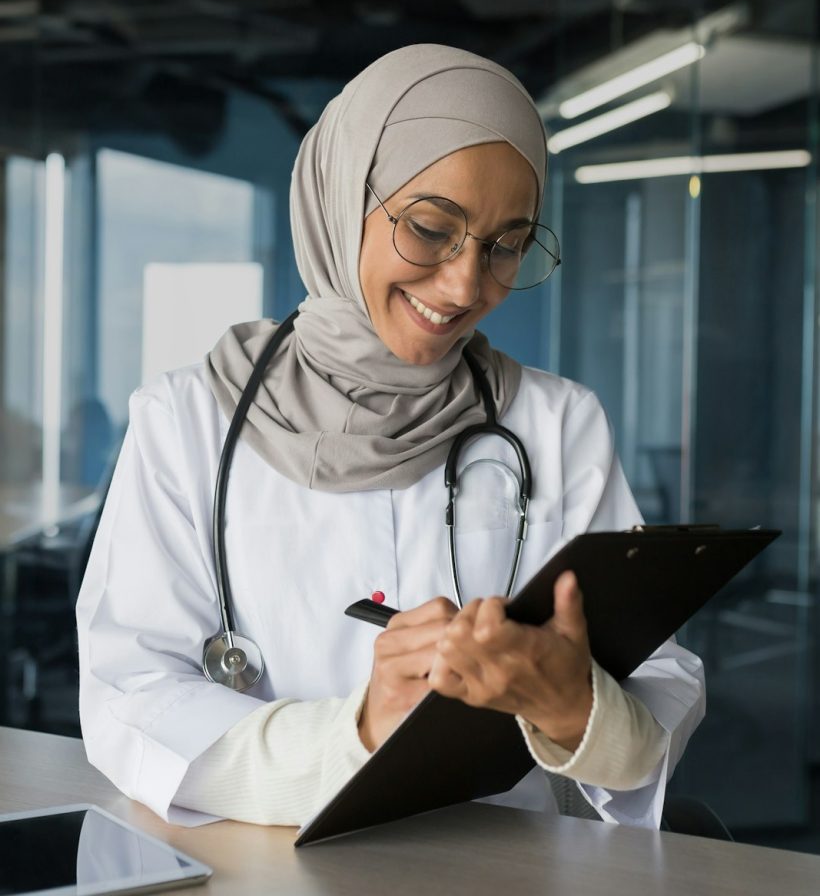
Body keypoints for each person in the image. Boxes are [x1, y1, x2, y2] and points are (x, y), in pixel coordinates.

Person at [76, 44, 704, 830]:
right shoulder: (186, 422)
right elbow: (129, 696)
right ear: (341, 198)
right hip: (263, 873)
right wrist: (359, 733)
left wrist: (579, 713)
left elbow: (664, 682)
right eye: (433, 228)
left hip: (495, 877)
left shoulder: (558, 425)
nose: (465, 284)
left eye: (507, 244)